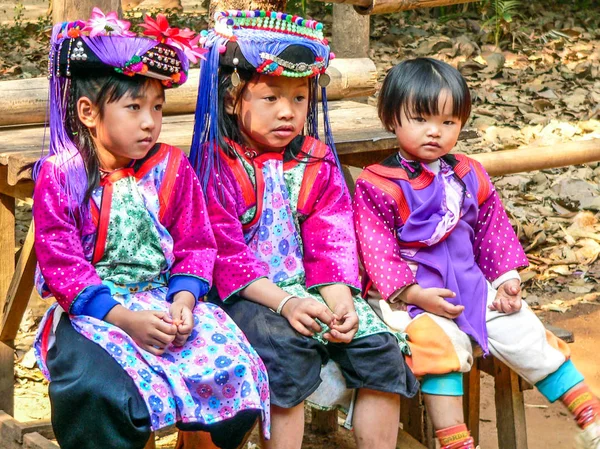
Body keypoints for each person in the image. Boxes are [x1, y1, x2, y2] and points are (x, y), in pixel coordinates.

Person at [31, 9, 269, 449]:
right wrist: (126, 321)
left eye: (157, 107)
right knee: (98, 391)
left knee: (235, 366)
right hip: (94, 311)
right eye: (134, 107)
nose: (149, 121)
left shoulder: (171, 167)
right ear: (88, 112)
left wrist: (183, 301)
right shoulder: (60, 175)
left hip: (163, 300)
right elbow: (63, 265)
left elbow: (197, 244)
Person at [188, 10, 418, 449]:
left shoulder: (315, 158)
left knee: (379, 349)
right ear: (234, 100)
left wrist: (340, 302)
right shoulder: (219, 164)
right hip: (249, 294)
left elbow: (330, 238)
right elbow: (225, 255)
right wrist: (286, 302)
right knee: (286, 350)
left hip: (313, 288)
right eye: (271, 98)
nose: (287, 112)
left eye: (298, 98)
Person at [354, 56, 600, 449]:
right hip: (408, 298)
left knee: (522, 329)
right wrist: (415, 295)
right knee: (440, 345)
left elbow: (492, 231)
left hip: (472, 286)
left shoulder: (469, 173)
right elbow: (376, 251)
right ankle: (456, 441)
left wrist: (507, 281)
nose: (435, 132)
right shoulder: (378, 184)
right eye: (420, 119)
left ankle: (587, 411)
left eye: (448, 122)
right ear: (391, 119)